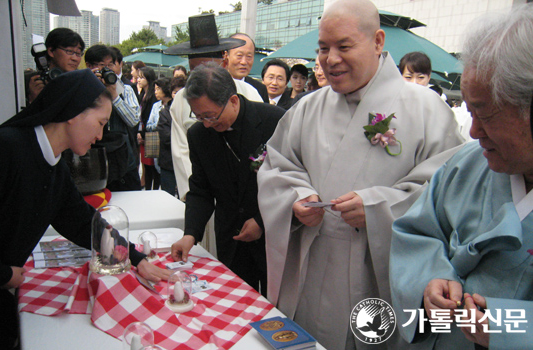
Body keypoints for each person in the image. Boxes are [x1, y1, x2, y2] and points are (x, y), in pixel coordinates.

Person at [256, 0, 464, 349]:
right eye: (323, 48)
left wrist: (379, 206)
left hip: (376, 270)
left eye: (344, 46)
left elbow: (447, 191)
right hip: (312, 260)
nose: (330, 58)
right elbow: (276, 165)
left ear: (378, 41)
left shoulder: (427, 109)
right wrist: (296, 196)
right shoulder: (308, 106)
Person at [0, 69, 171, 350]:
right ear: (73, 113)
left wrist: (135, 256)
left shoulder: (55, 166)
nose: (100, 135)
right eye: (100, 123)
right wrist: (2, 274)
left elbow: (82, 222)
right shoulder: (2, 149)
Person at [390, 5, 533, 349]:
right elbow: (416, 232)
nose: (474, 131)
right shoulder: (468, 163)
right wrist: (430, 278)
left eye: (486, 114)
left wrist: (509, 329)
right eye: (469, 112)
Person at [171, 62, 284, 295]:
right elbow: (201, 190)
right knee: (237, 300)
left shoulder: (274, 121)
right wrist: (190, 234)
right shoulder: (199, 135)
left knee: (277, 304)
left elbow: (290, 181)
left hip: (273, 236)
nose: (206, 124)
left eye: (211, 116)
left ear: (233, 101)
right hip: (231, 237)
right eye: (199, 116)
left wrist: (262, 220)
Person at [164, 13, 263, 201]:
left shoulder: (249, 93)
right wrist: (194, 195)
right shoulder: (180, 101)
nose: (200, 76)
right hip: (205, 194)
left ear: (224, 62)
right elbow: (181, 153)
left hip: (249, 195)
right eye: (194, 70)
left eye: (208, 67)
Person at [85, 44, 141, 191]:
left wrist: (114, 95)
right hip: (92, 156)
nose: (107, 70)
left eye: (110, 64)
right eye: (101, 65)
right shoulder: (81, 87)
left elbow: (134, 120)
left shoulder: (125, 89)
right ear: (89, 66)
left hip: (122, 158)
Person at [26, 28, 85, 104]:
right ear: (51, 51)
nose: (75, 58)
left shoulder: (81, 82)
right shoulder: (32, 82)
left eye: (78, 53)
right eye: (69, 51)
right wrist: (33, 101)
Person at [147, 77, 178, 196]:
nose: (155, 92)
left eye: (158, 89)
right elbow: (151, 125)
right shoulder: (160, 109)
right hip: (164, 153)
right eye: (175, 92)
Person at [224, 33, 269, 103]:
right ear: (226, 55)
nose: (244, 62)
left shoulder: (259, 89)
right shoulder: (215, 83)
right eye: (239, 55)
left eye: (249, 56)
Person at [137, 66, 160, 190]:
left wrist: (144, 132)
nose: (139, 80)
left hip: (151, 134)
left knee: (152, 164)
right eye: (138, 77)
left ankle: (154, 188)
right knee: (145, 164)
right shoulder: (142, 94)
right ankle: (147, 187)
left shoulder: (153, 96)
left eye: (142, 77)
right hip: (142, 131)